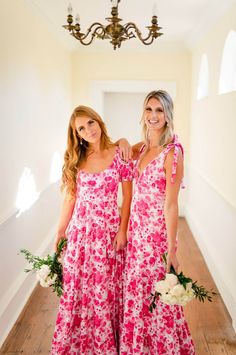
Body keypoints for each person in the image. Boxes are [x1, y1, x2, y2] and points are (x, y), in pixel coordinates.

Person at [51, 105, 133, 354]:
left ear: (99, 121)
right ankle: (80, 344)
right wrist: (60, 231)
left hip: (109, 232)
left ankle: (107, 344)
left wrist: (122, 231)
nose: (88, 130)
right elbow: (70, 198)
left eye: (90, 123)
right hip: (81, 233)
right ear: (76, 134)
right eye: (81, 128)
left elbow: (127, 198)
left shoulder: (119, 153)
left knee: (106, 289)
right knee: (79, 287)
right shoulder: (76, 159)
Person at [120, 90, 195, 354]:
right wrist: (122, 140)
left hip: (156, 238)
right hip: (137, 234)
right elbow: (118, 148)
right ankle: (138, 347)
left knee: (156, 296)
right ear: (143, 113)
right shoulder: (143, 148)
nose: (153, 116)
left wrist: (171, 249)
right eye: (149, 109)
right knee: (138, 294)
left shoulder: (172, 154)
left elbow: (172, 205)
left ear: (168, 115)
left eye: (159, 110)